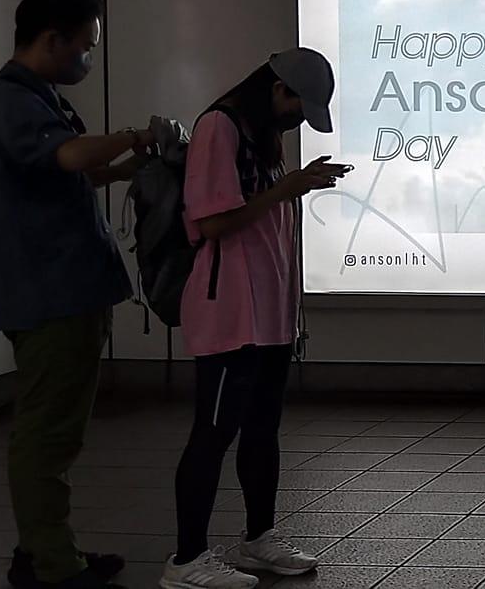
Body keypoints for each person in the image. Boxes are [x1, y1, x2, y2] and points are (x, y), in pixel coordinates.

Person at [0, 0, 149, 589]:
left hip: (67, 290)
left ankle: (42, 550)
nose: (88, 58)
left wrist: (124, 169)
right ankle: (53, 565)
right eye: (85, 47)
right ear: (52, 40)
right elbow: (70, 158)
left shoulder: (36, 97)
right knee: (47, 435)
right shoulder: (11, 101)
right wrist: (135, 136)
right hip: (50, 294)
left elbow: (67, 172)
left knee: (56, 431)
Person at [160, 49, 346, 589]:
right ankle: (186, 559)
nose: (296, 122)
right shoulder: (219, 127)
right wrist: (287, 188)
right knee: (213, 432)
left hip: (269, 314)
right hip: (231, 312)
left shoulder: (262, 134)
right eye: (297, 109)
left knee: (262, 429)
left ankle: (259, 538)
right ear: (277, 88)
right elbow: (213, 223)